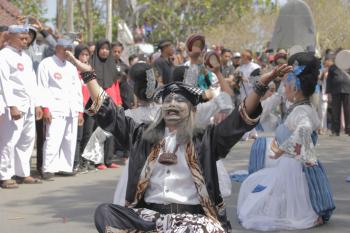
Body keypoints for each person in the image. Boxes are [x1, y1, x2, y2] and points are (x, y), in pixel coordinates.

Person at [73, 45, 292, 232]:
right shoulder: (143, 136)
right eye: (167, 101)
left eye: (179, 101)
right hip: (151, 219)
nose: (172, 105)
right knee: (105, 213)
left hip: (191, 221)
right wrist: (89, 76)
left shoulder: (206, 139)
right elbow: (112, 114)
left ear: (191, 109)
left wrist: (260, 86)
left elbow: (237, 121)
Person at [238, 52, 335, 231]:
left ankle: (310, 210)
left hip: (295, 169)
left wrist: (284, 148)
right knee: (252, 186)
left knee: (253, 190)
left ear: (296, 88)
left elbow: (304, 130)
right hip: (289, 167)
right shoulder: (298, 108)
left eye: (287, 85)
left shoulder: (302, 111)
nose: (284, 88)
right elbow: (269, 107)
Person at [0, 25, 43, 188]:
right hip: (13, 105)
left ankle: (23, 172)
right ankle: (4, 175)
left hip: (29, 104)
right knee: (9, 141)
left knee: (27, 140)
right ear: (10, 37)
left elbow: (32, 83)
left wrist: (37, 104)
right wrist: (12, 106)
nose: (26, 41)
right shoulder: (4, 55)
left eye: (27, 38)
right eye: (22, 38)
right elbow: (4, 83)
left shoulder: (25, 57)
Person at [37, 39, 83, 180]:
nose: (68, 51)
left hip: (71, 109)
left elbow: (77, 90)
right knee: (53, 139)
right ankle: (48, 169)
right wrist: (45, 109)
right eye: (65, 48)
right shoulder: (46, 63)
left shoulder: (71, 67)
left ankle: (64, 167)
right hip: (54, 108)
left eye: (70, 48)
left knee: (69, 139)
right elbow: (42, 88)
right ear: (57, 48)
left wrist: (79, 111)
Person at [84, 38, 122, 170]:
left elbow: (116, 85)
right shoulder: (91, 65)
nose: (105, 51)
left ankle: (109, 160)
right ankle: (97, 161)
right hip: (97, 101)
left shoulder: (112, 65)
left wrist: (118, 102)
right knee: (97, 131)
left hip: (111, 103)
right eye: (102, 49)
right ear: (98, 50)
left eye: (107, 49)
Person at [326, 49, 350, 136]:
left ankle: (348, 129)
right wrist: (328, 93)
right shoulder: (332, 67)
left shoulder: (348, 64)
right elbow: (329, 80)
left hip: (347, 90)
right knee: (335, 111)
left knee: (348, 111)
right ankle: (335, 130)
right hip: (335, 90)